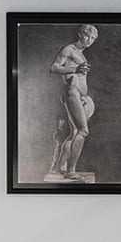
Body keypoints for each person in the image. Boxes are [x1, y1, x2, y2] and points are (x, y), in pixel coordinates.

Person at [47, 25, 99, 183]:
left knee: (74, 133)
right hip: (72, 92)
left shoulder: (80, 53)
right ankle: (70, 171)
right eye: (87, 36)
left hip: (79, 96)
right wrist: (75, 69)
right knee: (83, 131)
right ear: (80, 34)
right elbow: (54, 68)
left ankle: (58, 168)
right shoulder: (69, 49)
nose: (89, 41)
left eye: (93, 38)